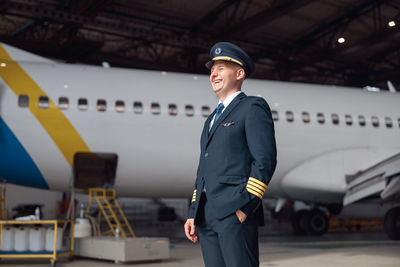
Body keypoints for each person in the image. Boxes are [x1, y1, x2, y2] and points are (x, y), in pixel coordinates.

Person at [184, 41, 277, 267]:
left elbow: (265, 160)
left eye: (221, 68)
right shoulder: (211, 120)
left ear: (239, 73)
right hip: (207, 215)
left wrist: (244, 208)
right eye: (212, 69)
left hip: (234, 212)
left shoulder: (252, 107)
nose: (214, 74)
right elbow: (203, 169)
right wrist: (193, 212)